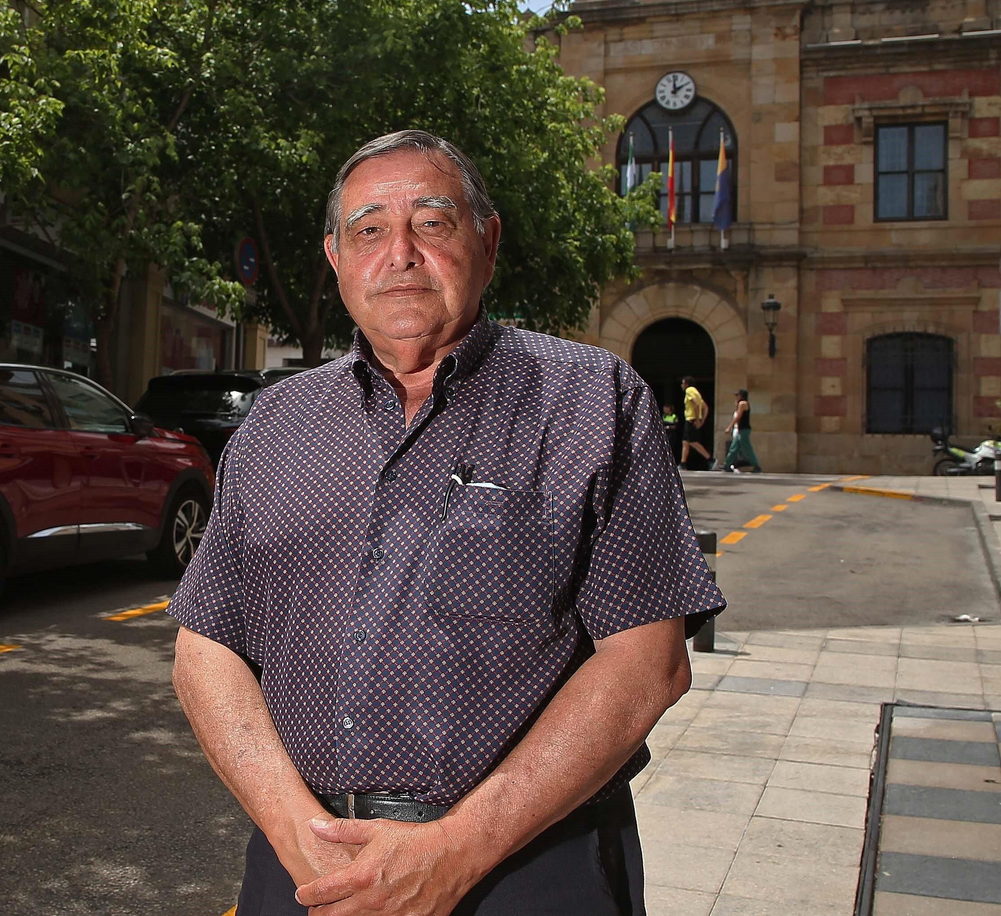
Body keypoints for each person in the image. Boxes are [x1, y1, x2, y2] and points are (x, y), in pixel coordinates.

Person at [169, 130, 725, 916]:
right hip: (303, 869)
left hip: (523, 871)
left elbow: (648, 664)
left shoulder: (593, 401)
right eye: (368, 230)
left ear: (487, 241)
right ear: (335, 256)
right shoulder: (277, 422)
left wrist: (456, 850)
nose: (398, 253)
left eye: (432, 223)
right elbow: (205, 645)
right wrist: (293, 828)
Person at [723, 388, 762, 473]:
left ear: (742, 396)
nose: (736, 397)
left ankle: (756, 466)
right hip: (742, 430)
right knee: (734, 448)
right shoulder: (741, 404)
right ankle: (727, 465)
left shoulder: (743, 403)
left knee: (747, 449)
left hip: (744, 430)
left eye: (737, 395)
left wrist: (729, 427)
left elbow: (738, 417)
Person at [679, 376, 711, 470]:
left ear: (687, 384)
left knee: (693, 442)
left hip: (691, 419)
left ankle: (710, 458)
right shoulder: (696, 392)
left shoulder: (689, 390)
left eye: (683, 383)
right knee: (685, 442)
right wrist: (702, 420)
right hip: (691, 420)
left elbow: (696, 404)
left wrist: (697, 419)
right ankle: (683, 463)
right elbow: (705, 407)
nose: (682, 385)